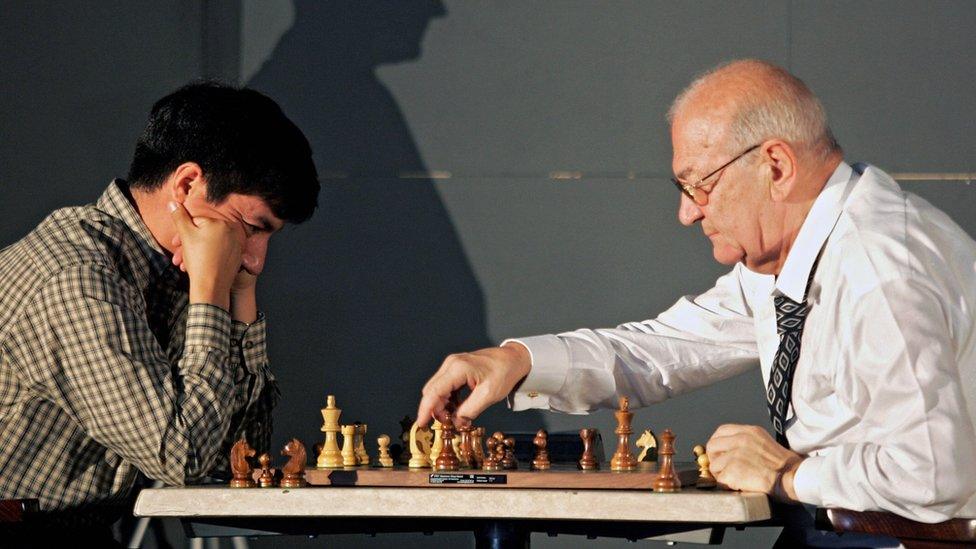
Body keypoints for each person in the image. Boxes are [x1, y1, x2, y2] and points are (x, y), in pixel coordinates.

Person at [416, 59, 976, 547]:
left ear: (775, 166)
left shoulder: (879, 267)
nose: (688, 213)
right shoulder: (795, 255)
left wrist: (789, 474)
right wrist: (519, 361)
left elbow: (930, 473)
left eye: (698, 186)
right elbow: (671, 346)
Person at [0, 82, 319, 544]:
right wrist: (210, 290)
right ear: (188, 184)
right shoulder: (74, 277)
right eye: (252, 228)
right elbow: (183, 455)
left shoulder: (164, 269)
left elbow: (236, 464)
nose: (256, 259)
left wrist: (241, 296)